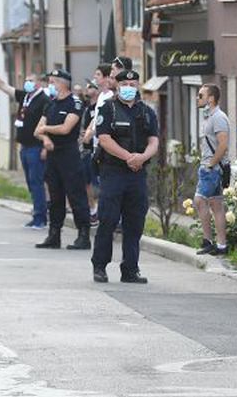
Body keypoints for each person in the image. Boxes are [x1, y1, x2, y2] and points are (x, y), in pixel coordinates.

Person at [91, 69, 160, 284]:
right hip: (113, 172)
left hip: (137, 174)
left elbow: (154, 141)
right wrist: (129, 157)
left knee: (135, 222)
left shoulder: (147, 112)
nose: (129, 87)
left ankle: (130, 269)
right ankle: (100, 266)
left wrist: (142, 157)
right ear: (117, 85)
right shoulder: (108, 108)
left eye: (133, 83)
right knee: (108, 220)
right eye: (125, 83)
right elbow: (104, 139)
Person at [0, 66, 49, 229]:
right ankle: (36, 212)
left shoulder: (43, 100)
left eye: (31, 80)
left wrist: (45, 147)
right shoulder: (24, 96)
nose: (28, 83)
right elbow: (4, 87)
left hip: (36, 146)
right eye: (26, 80)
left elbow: (48, 123)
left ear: (40, 83)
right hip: (24, 146)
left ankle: (41, 217)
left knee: (37, 182)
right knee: (29, 182)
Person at [33, 69, 91, 250]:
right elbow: (37, 130)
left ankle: (83, 235)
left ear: (62, 83)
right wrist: (46, 138)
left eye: (53, 81)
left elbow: (66, 128)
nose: (51, 85)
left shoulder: (74, 102)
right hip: (53, 155)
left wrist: (46, 130)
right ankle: (54, 234)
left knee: (76, 195)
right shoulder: (50, 104)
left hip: (69, 154)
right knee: (55, 196)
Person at [193, 84, 231, 256]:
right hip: (210, 167)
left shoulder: (218, 117)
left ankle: (208, 241)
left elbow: (223, 144)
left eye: (200, 95)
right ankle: (221, 245)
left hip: (212, 168)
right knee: (216, 205)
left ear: (211, 98)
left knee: (200, 201)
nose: (197, 98)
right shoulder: (209, 116)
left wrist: (210, 164)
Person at [80, 80, 101, 225]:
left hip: (96, 150)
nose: (88, 89)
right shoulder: (86, 107)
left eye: (92, 86)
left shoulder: (101, 106)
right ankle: (92, 211)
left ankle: (99, 212)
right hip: (86, 149)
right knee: (85, 182)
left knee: (98, 185)